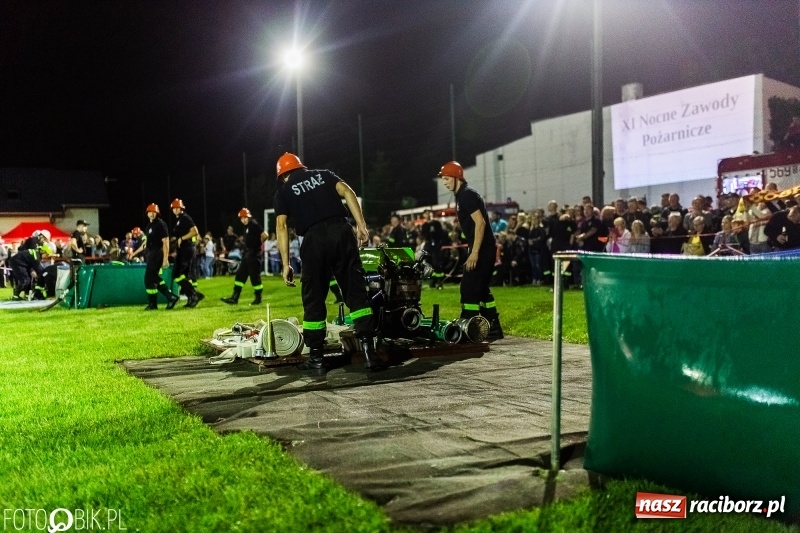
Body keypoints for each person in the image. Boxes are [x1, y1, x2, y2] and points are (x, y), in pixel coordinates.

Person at [273, 152, 385, 372]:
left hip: (314, 240)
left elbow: (281, 226)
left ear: (283, 175)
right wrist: (361, 226)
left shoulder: (284, 191)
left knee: (314, 297)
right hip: (342, 231)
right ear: (301, 167)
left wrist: (285, 264)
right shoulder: (323, 175)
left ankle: (316, 358)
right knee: (355, 290)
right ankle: (369, 354)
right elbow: (348, 192)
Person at [439, 160, 503, 340]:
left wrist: (474, 253)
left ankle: (468, 325)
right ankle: (493, 327)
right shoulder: (462, 195)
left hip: (482, 249)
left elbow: (480, 223)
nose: (444, 183)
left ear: (456, 177)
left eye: (446, 178)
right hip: (482, 248)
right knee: (481, 289)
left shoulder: (467, 195)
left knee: (468, 288)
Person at [131, 203, 179, 311]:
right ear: (147, 213)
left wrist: (165, 259)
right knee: (151, 278)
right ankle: (161, 301)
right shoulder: (149, 226)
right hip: (152, 253)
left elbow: (166, 241)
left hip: (158, 253)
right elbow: (145, 244)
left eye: (154, 212)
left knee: (149, 278)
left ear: (157, 213)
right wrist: (134, 253)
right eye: (150, 212)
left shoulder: (160, 224)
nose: (152, 214)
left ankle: (163, 300)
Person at [221, 208, 267, 306]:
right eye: (242, 218)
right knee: (240, 275)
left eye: (245, 217)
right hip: (247, 255)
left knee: (254, 278)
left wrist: (257, 244)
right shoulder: (247, 227)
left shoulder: (254, 225)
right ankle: (234, 298)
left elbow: (265, 235)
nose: (243, 220)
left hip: (254, 255)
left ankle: (258, 298)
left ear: (249, 217)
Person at [169, 198, 204, 308]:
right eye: (174, 208)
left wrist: (182, 238)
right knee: (178, 275)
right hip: (183, 249)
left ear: (181, 208)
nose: (175, 209)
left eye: (177, 208)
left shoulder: (185, 218)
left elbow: (195, 231)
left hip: (187, 248)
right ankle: (193, 296)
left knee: (179, 274)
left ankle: (194, 295)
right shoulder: (179, 219)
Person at [8, 232, 49, 300]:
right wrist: (45, 275)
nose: (46, 257)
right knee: (25, 280)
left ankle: (22, 294)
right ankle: (15, 296)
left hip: (20, 262)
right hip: (17, 262)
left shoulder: (35, 252)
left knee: (27, 280)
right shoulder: (36, 254)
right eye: (46, 254)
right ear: (42, 251)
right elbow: (39, 269)